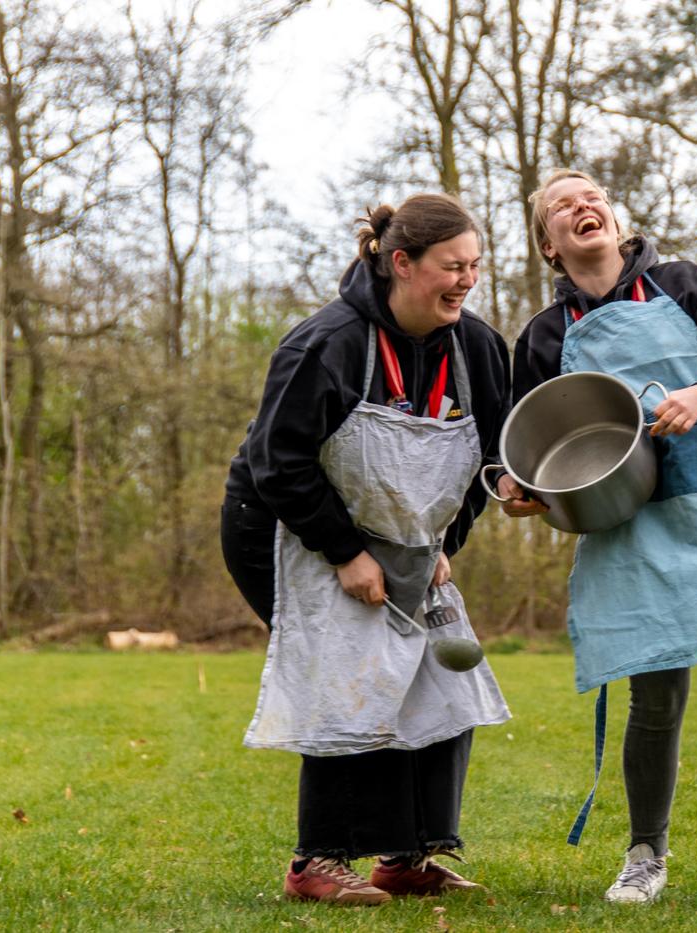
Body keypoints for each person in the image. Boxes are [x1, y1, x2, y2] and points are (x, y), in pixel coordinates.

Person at [498, 169, 697, 905]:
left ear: (615, 218)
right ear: (548, 243)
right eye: (562, 206)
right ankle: (644, 855)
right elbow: (522, 446)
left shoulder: (685, 285)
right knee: (654, 688)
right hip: (631, 518)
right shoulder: (543, 336)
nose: (581, 206)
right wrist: (518, 489)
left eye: (591, 195)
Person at [222, 193, 512, 906]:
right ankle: (315, 862)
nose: (465, 281)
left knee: (443, 676)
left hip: (409, 540)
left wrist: (445, 542)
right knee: (352, 668)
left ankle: (406, 858)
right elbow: (278, 462)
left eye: (474, 266)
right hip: (285, 525)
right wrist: (345, 552)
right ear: (401, 263)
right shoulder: (326, 343)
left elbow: (488, 461)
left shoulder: (478, 348)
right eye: (451, 266)